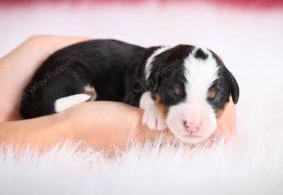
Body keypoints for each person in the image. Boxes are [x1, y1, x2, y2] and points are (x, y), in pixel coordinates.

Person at [0, 35, 236, 152]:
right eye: (176, 94)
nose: (193, 123)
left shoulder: (162, 69)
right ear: (155, 83)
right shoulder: (144, 76)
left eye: (213, 98)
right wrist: (72, 126)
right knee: (70, 77)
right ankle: (49, 104)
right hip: (72, 74)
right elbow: (137, 94)